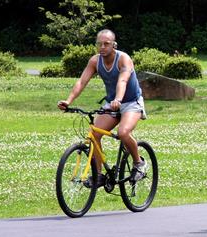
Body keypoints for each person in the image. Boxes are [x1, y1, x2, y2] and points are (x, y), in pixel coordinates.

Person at [57, 29, 147, 186]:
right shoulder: (95, 61)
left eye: (107, 44)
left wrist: (118, 99)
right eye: (99, 44)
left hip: (131, 102)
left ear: (114, 45)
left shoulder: (123, 59)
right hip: (113, 103)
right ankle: (98, 175)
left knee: (123, 133)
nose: (103, 47)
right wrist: (68, 101)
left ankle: (139, 163)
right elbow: (82, 82)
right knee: (93, 134)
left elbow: (123, 81)